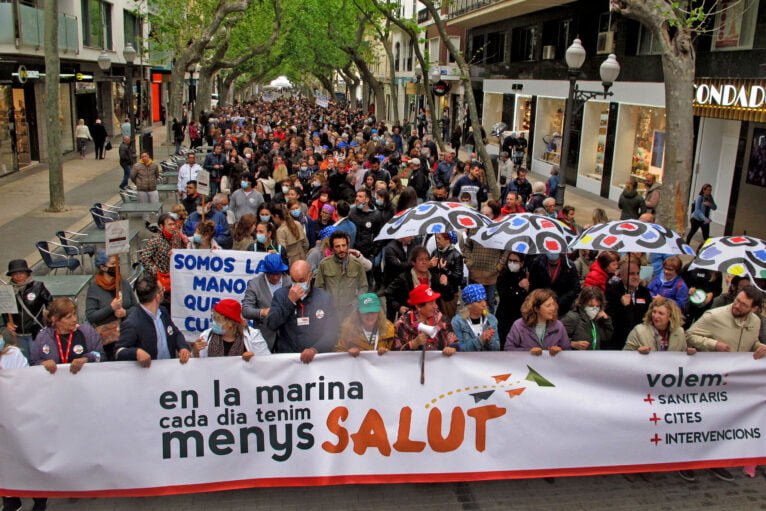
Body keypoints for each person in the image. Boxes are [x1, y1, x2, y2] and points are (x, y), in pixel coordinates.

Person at [265, 260, 339, 362]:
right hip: (289, 358)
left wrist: (315, 349)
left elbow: (332, 332)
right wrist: (289, 302)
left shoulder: (324, 297)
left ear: (310, 276)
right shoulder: (280, 295)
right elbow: (271, 324)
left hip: (316, 358)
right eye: (294, 281)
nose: (297, 285)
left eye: (301, 280)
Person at [115, 277, 191, 366]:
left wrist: (183, 347)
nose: (164, 292)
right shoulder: (132, 323)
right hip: (148, 375)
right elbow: (118, 352)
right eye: (162, 290)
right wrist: (136, 352)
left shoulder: (163, 312)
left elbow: (175, 333)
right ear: (157, 296)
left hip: (170, 371)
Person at [85, 251, 136, 361]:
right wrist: (110, 308)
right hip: (108, 340)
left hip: (128, 334)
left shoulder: (124, 283)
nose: (117, 266)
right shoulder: (94, 289)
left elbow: (136, 308)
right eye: (113, 264)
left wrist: (125, 312)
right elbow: (91, 316)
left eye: (118, 263)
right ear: (103, 267)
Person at [31, 297, 105, 373]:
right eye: (68, 317)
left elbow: (101, 356)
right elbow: (33, 362)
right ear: (55, 319)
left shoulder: (87, 332)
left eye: (74, 314)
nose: (74, 319)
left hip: (84, 382)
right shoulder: (43, 337)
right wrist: (43, 363)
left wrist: (87, 358)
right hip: (55, 383)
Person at [242, 254, 292, 352]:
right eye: (271, 274)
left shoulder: (290, 281)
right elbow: (246, 310)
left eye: (278, 273)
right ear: (265, 272)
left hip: (287, 335)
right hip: (265, 336)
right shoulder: (255, 284)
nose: (275, 277)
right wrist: (262, 312)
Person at [3, 259, 52, 360]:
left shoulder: (38, 286)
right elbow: (5, 309)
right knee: (23, 359)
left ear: (27, 273)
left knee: (37, 358)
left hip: (35, 331)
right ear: (11, 276)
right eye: (15, 273)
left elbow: (50, 303)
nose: (18, 276)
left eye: (21, 273)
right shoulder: (7, 290)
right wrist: (8, 322)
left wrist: (49, 317)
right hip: (18, 333)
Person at [191, 299, 269, 359]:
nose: (214, 322)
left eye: (218, 319)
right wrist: (195, 352)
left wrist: (253, 359)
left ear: (231, 323)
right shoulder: (206, 335)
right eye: (214, 317)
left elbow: (267, 362)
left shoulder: (253, 336)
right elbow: (197, 368)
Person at [395, 284, 457, 355]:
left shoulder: (441, 319)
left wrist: (452, 348)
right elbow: (395, 352)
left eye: (435, 302)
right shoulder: (404, 323)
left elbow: (455, 342)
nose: (436, 306)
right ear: (418, 306)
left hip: (439, 364)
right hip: (412, 364)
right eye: (431, 303)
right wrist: (414, 344)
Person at [315, 231, 368, 314]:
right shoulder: (324, 264)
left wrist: (356, 303)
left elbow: (363, 287)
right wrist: (325, 303)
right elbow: (319, 287)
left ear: (348, 246)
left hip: (351, 312)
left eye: (344, 245)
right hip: (331, 312)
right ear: (332, 248)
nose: (341, 249)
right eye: (337, 246)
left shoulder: (357, 264)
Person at [504, 288, 570, 354]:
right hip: (525, 363)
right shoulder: (518, 325)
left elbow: (567, 350)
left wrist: (560, 350)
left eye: (553, 304)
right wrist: (528, 351)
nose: (553, 308)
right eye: (548, 305)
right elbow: (508, 349)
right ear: (536, 309)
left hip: (551, 363)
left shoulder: (558, 325)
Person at [605, 260, 652, 349]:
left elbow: (647, 315)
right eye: (631, 274)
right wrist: (622, 305)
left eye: (637, 273)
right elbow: (611, 318)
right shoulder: (612, 292)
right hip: (619, 340)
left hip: (640, 339)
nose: (636, 277)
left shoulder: (644, 292)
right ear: (621, 275)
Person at [624, 296, 690, 353]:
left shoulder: (679, 332)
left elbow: (683, 356)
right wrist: (637, 353)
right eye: (654, 312)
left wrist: (689, 354)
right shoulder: (638, 331)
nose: (655, 316)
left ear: (671, 316)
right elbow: (625, 355)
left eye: (660, 313)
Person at [451, 284, 500, 352]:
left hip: (487, 360)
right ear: (469, 305)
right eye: (479, 302)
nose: (484, 304)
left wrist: (490, 340)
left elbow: (497, 349)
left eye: (484, 300)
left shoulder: (491, 319)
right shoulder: (457, 321)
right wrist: (480, 340)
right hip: (467, 361)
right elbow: (458, 349)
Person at [496, 252, 529, 348]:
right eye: (510, 260)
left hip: (519, 316)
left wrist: (527, 290)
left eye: (515, 261)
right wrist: (518, 288)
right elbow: (504, 295)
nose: (512, 263)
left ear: (522, 263)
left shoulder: (525, 276)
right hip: (504, 315)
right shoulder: (503, 275)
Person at [429, 232, 463, 320]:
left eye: (439, 238)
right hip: (435, 293)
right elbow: (431, 273)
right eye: (436, 238)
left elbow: (459, 279)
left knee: (446, 321)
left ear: (448, 240)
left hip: (448, 295)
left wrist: (445, 270)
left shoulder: (456, 255)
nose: (437, 241)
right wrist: (430, 266)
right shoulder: (435, 252)